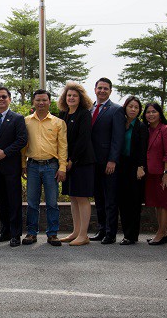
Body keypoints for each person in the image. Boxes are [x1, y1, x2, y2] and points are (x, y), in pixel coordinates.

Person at [21, 90, 68, 247]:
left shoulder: (58, 123)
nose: (41, 103)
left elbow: (63, 147)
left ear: (49, 102)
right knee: (32, 202)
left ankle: (53, 234)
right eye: (38, 100)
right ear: (33, 102)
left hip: (51, 166)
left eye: (44, 100)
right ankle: (31, 233)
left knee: (52, 203)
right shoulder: (26, 121)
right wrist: (23, 165)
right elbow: (23, 146)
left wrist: (62, 167)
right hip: (32, 166)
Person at [0, 87, 28, 247]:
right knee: (1, 201)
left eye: (4, 96)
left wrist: (6, 152)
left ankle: (15, 234)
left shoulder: (17, 118)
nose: (1, 99)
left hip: (11, 166)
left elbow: (22, 140)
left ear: (10, 99)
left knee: (14, 201)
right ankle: (5, 231)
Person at [57, 82, 96, 246]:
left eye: (74, 95)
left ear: (81, 98)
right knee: (73, 197)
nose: (71, 98)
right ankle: (75, 232)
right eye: (69, 95)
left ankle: (84, 235)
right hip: (67, 161)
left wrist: (72, 160)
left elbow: (83, 140)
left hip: (82, 162)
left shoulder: (84, 114)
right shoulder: (64, 115)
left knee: (81, 197)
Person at [89, 78, 125, 244]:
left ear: (110, 91)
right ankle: (101, 229)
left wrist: (112, 160)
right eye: (100, 88)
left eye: (106, 89)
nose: (102, 91)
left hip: (108, 163)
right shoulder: (89, 109)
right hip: (92, 162)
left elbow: (118, 138)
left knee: (110, 198)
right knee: (99, 198)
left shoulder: (116, 110)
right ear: (95, 89)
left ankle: (111, 233)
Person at [116, 96, 148, 245]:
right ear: (125, 107)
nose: (133, 109)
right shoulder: (121, 124)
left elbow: (143, 149)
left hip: (135, 167)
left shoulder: (141, 127)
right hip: (121, 165)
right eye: (130, 106)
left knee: (133, 202)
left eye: (136, 107)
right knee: (122, 201)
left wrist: (141, 167)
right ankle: (125, 233)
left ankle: (131, 235)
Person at [143, 102, 167, 245]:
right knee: (157, 203)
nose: (151, 114)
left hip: (163, 173)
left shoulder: (166, 129)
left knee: (164, 204)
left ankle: (161, 233)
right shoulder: (146, 130)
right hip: (150, 173)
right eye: (148, 112)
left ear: (160, 113)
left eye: (154, 111)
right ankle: (163, 232)